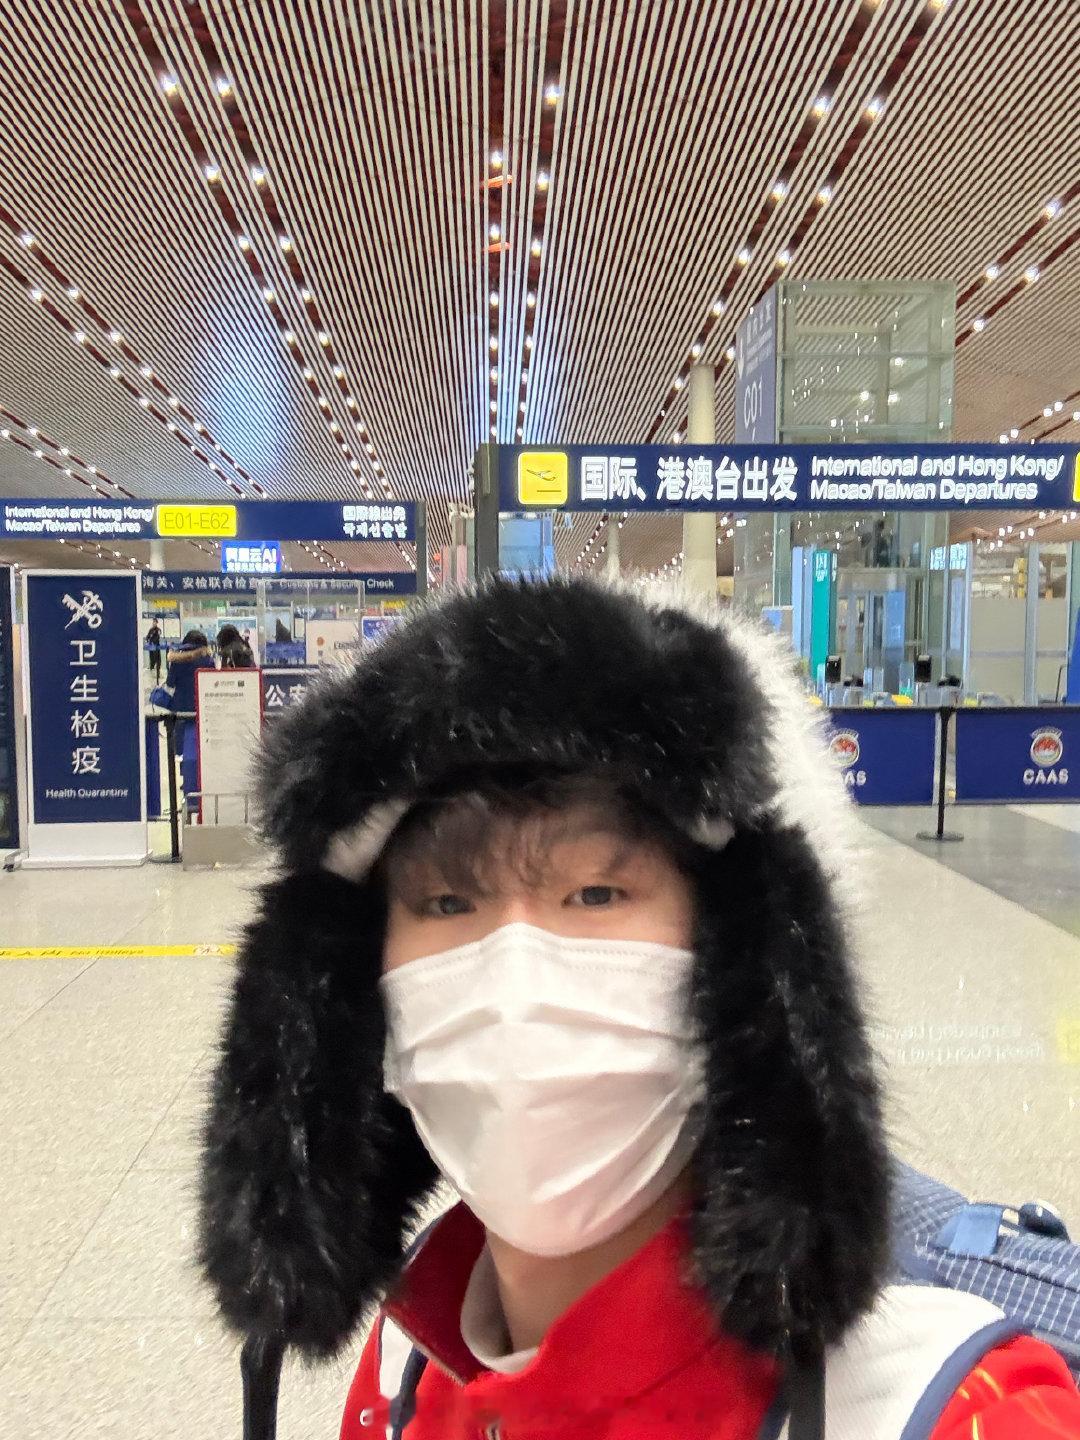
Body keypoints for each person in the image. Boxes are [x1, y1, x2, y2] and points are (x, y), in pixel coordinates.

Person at [198, 578, 1080, 1440]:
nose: (514, 982)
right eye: (446, 902)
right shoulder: (408, 1363)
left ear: (743, 973)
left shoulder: (951, 1409)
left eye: (596, 893)